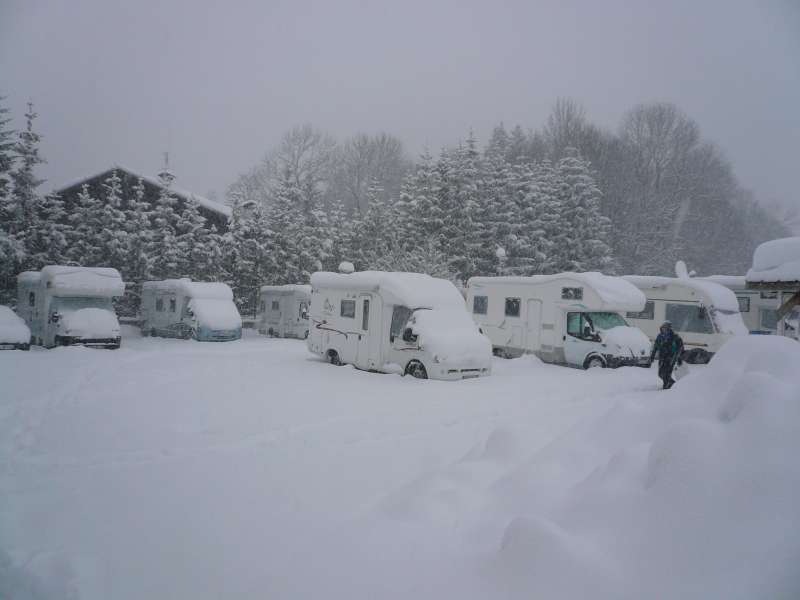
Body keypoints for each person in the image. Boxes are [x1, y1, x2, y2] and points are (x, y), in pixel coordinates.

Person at [649, 321, 684, 389]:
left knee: (667, 373)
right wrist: (652, 356)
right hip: (662, 357)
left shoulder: (675, 336)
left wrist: (679, 358)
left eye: (665, 328)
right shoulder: (660, 336)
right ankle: (674, 384)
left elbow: (680, 348)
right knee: (660, 374)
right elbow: (655, 347)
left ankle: (666, 387)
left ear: (669, 329)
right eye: (662, 328)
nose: (663, 330)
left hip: (671, 357)